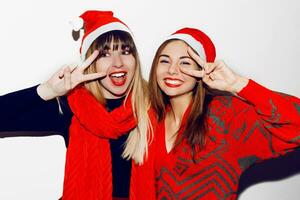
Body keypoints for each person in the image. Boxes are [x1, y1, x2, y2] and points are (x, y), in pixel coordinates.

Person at [0, 10, 154, 200]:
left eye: (126, 51)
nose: (118, 63)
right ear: (90, 63)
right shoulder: (74, 107)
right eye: (105, 54)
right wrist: (47, 91)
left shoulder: (154, 106)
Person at [146, 27, 300, 199]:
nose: (172, 70)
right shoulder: (150, 119)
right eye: (165, 61)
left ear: (202, 70)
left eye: (185, 62)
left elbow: (296, 126)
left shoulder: (224, 116)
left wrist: (239, 85)